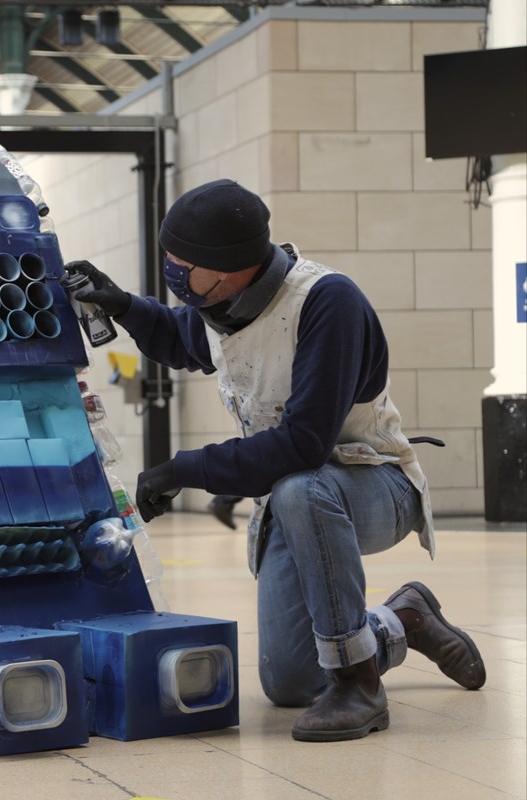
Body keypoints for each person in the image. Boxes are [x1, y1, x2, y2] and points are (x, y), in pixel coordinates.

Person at [67, 179, 484, 743]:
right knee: (290, 682)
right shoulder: (223, 302)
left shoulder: (327, 303)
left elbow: (302, 446)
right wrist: (122, 305)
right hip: (300, 503)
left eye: (182, 265)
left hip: (376, 484)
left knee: (300, 487)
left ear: (231, 267)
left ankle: (361, 686)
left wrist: (184, 469)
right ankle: (404, 618)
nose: (173, 273)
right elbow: (179, 338)